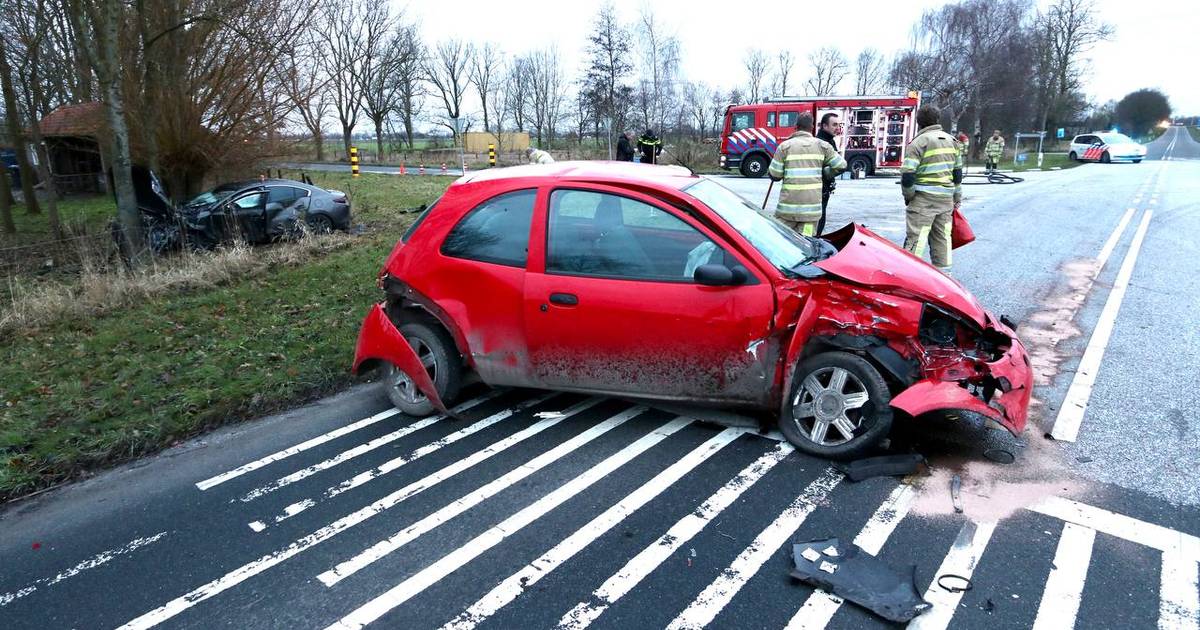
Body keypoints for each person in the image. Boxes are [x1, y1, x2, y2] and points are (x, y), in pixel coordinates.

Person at [901, 105, 962, 276]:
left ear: (919, 122)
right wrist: (957, 196)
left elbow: (908, 174)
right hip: (946, 200)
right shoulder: (953, 141)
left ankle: (909, 278)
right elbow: (957, 174)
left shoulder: (919, 142)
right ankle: (945, 278)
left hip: (923, 200)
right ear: (937, 120)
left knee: (917, 239)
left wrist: (909, 196)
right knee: (942, 239)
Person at [767, 111, 847, 237]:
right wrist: (826, 173)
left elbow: (775, 175)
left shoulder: (784, 147)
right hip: (811, 213)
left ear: (796, 127)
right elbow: (841, 165)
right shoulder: (823, 146)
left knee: (781, 242)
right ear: (812, 128)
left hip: (787, 211)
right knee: (805, 244)